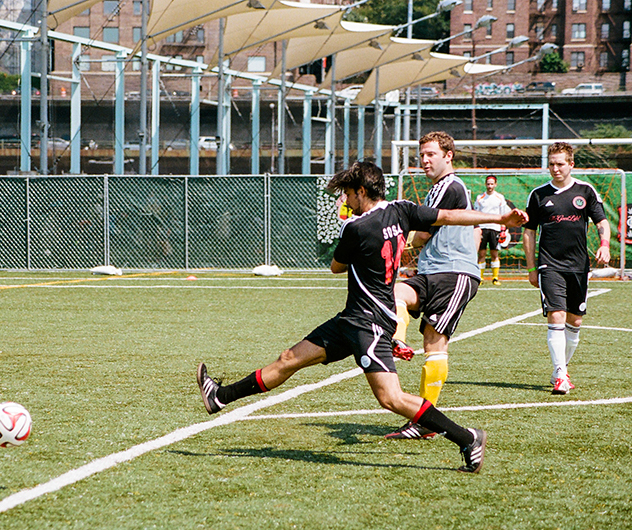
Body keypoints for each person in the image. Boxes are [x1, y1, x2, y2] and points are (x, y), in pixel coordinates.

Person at [197, 160, 528, 473]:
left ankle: (467, 438)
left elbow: (335, 267)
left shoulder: (356, 227)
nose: (345, 198)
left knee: (391, 398)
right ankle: (220, 396)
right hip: (352, 319)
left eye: (348, 193)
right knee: (288, 359)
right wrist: (499, 220)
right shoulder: (403, 210)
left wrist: (347, 229)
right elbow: (449, 215)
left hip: (368, 323)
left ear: (361, 192)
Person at [386, 131, 483, 440]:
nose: (424, 160)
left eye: (430, 154)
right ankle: (398, 341)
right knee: (396, 293)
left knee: (434, 342)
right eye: (422, 155)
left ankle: (427, 421)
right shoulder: (436, 190)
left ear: (448, 156)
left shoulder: (451, 186)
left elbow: (423, 232)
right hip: (432, 271)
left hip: (454, 274)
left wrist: (396, 241)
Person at [522, 142, 610, 395]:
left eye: (560, 164)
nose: (555, 168)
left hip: (579, 266)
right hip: (550, 265)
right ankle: (561, 374)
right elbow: (529, 234)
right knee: (556, 316)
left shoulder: (585, 191)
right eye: (551, 164)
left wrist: (604, 245)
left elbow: (602, 222)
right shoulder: (538, 195)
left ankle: (562, 367)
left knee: (575, 321)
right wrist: (531, 267)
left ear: (571, 164)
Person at [473, 175, 510, 285]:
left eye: (492, 184)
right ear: (485, 184)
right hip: (483, 228)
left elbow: (504, 215)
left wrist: (503, 229)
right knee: (482, 254)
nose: (490, 186)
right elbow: (476, 214)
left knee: (494, 254)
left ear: (495, 184)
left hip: (495, 229)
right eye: (488, 184)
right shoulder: (480, 198)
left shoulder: (500, 198)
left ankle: (495, 278)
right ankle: (480, 278)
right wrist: (477, 228)